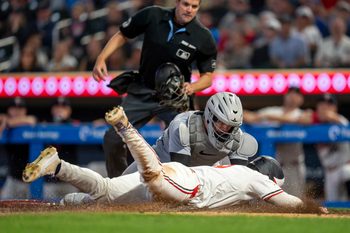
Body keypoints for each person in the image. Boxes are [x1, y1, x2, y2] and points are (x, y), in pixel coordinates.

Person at [22, 106, 321, 212]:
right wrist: (313, 210)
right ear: (267, 176)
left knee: (103, 191)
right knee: (153, 175)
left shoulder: (236, 174)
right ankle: (125, 127)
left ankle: (57, 166)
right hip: (186, 183)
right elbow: (288, 202)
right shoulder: (254, 179)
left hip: (182, 181)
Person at [92, 0, 217, 177]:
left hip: (175, 98)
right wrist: (101, 57)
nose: (189, 10)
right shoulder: (153, 15)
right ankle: (118, 186)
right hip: (143, 89)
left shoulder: (203, 36)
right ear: (177, 3)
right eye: (186, 4)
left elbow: (208, 77)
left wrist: (192, 87)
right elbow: (123, 34)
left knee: (188, 142)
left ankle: (184, 187)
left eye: (194, 6)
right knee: (112, 137)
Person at [122, 91, 258, 175]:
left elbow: (241, 178)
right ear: (210, 116)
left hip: (203, 174)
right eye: (220, 122)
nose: (224, 128)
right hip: (159, 166)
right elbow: (180, 175)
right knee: (117, 191)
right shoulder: (184, 126)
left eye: (229, 126)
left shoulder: (237, 137)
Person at [244, 86, 306, 197]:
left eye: (296, 94)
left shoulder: (301, 113)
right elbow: (246, 116)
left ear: (301, 98)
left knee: (297, 200)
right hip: (276, 167)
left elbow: (307, 119)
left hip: (294, 166)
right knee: (274, 201)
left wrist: (271, 118)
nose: (292, 96)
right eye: (290, 93)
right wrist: (262, 117)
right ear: (285, 96)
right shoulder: (274, 111)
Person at [297, 93, 350, 201]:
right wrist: (309, 115)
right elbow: (301, 120)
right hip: (329, 172)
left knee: (347, 172)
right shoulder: (314, 121)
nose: (325, 108)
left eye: (329, 105)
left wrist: (333, 117)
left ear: (335, 108)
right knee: (333, 204)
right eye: (322, 105)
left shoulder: (340, 120)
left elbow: (344, 125)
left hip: (344, 166)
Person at [1, 97, 37, 199]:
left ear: (25, 110)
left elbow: (32, 120)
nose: (17, 111)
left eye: (20, 108)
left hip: (31, 181)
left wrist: (8, 122)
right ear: (9, 110)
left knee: (36, 208)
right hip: (13, 179)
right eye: (14, 108)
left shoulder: (29, 121)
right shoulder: (4, 122)